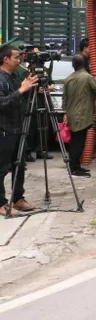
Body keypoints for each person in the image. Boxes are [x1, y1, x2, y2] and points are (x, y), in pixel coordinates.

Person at [0, 44, 38, 213]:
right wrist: (21, 90)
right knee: (2, 168)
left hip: (18, 128)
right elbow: (2, 103)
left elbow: (20, 97)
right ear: (5, 59)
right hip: (3, 129)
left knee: (19, 165)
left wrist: (29, 87)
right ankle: (1, 202)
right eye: (16, 57)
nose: (19, 60)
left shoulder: (14, 77)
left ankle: (17, 198)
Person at [62, 54, 96, 177]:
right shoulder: (87, 77)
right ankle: (74, 168)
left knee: (75, 141)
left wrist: (65, 113)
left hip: (71, 114)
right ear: (86, 64)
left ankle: (75, 166)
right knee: (78, 142)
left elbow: (64, 98)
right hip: (82, 115)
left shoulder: (68, 79)